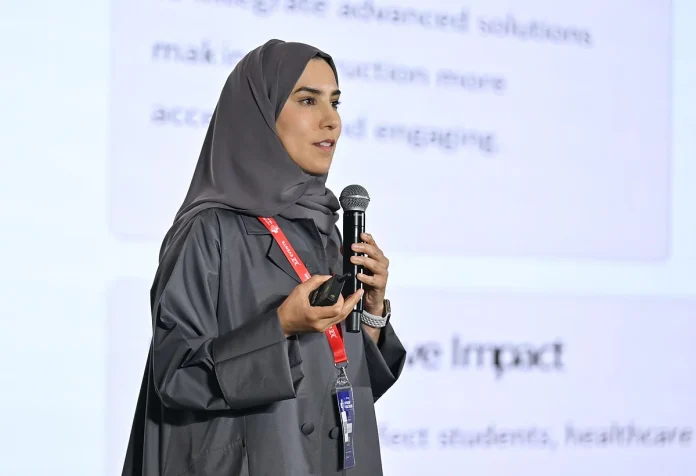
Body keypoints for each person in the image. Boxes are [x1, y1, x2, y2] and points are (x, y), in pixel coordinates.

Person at [121, 39, 407, 476]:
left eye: (335, 102)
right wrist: (280, 327)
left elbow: (340, 378)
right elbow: (176, 375)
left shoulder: (325, 226)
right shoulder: (207, 230)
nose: (331, 120)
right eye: (308, 100)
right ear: (260, 114)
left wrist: (370, 312)